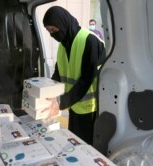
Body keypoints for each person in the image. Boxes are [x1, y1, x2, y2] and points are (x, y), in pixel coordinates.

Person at [42, 6, 106, 145]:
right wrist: (44, 93)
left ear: (62, 23)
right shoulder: (63, 45)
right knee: (75, 143)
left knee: (87, 147)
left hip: (90, 108)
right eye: (49, 31)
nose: (52, 34)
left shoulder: (89, 40)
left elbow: (86, 80)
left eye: (54, 29)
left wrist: (60, 102)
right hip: (74, 105)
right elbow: (58, 74)